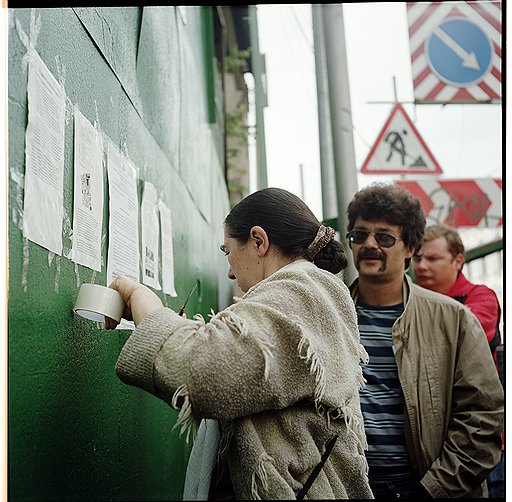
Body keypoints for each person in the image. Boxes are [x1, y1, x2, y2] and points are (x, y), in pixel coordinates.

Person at [107, 187, 373, 500]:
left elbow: (201, 371)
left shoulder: (299, 293)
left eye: (228, 251)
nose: (231, 271)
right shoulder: (310, 292)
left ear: (258, 241)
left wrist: (142, 299)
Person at [344, 182, 503, 500]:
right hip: (346, 488)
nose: (370, 244)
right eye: (360, 235)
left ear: (411, 248)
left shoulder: (454, 319)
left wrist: (431, 491)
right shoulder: (328, 315)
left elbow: (482, 417)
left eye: (385, 237)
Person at [412, 223, 504, 499]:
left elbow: (463, 334)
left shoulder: (482, 296)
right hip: (427, 446)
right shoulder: (410, 304)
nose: (422, 266)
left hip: (479, 445)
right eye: (417, 258)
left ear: (458, 260)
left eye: (433, 258)